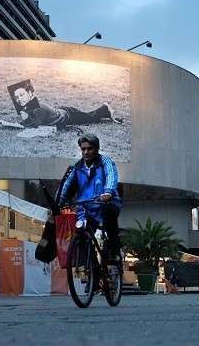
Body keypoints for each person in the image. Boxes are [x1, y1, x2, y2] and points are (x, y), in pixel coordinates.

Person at [57, 134, 122, 262]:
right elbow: (66, 186)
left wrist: (108, 192)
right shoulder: (77, 167)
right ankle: (91, 266)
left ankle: (114, 251)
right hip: (86, 207)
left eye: (90, 148)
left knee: (110, 219)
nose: (86, 152)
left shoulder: (105, 161)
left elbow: (111, 175)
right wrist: (57, 203)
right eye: (83, 149)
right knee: (81, 231)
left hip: (106, 202)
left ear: (96, 149)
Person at [12, 85, 122, 128]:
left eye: (21, 95)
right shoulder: (31, 107)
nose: (19, 99)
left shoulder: (38, 107)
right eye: (16, 97)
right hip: (63, 112)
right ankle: (105, 110)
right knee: (89, 116)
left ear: (30, 94)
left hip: (69, 115)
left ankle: (105, 108)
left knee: (91, 118)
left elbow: (37, 124)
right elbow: (34, 120)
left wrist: (25, 119)